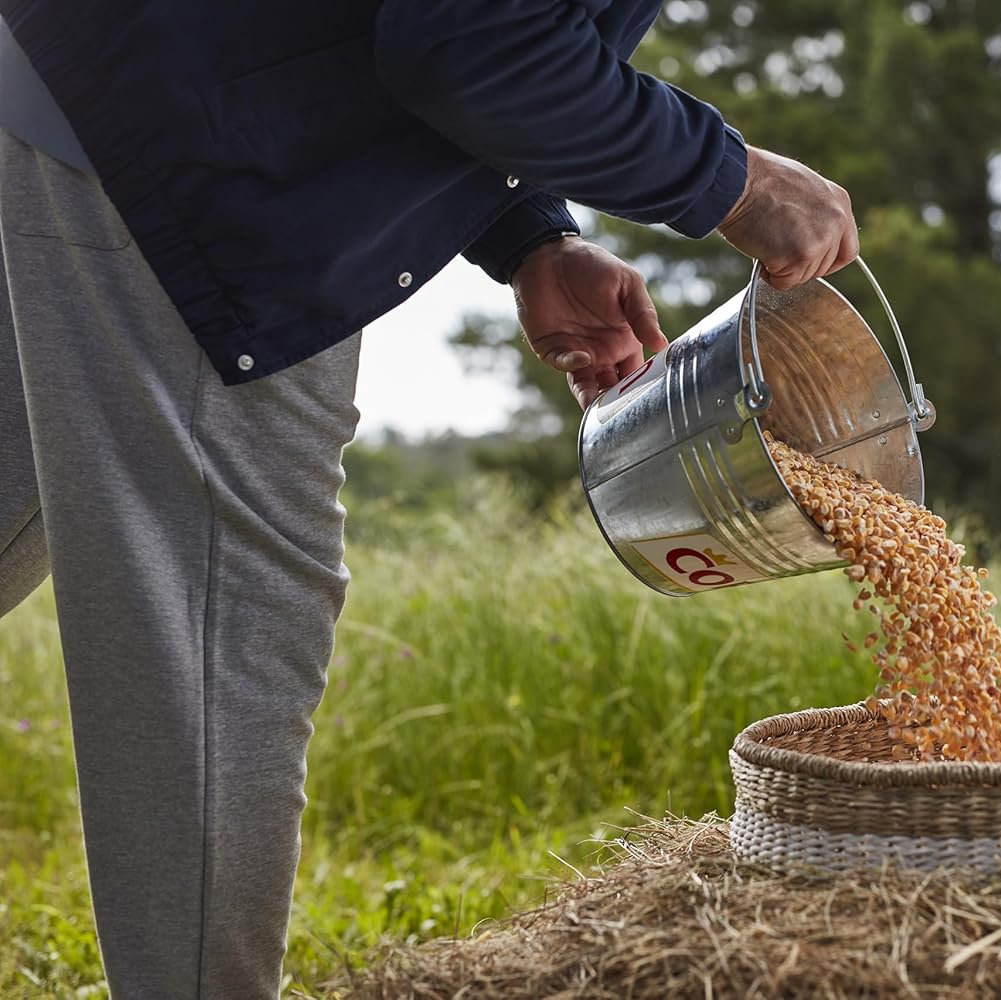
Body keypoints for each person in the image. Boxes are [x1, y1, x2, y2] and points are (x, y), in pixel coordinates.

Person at [0, 2, 859, 996]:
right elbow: (473, 41)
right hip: (207, 154)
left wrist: (530, 234)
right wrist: (736, 180)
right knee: (225, 630)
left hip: (93, 78)